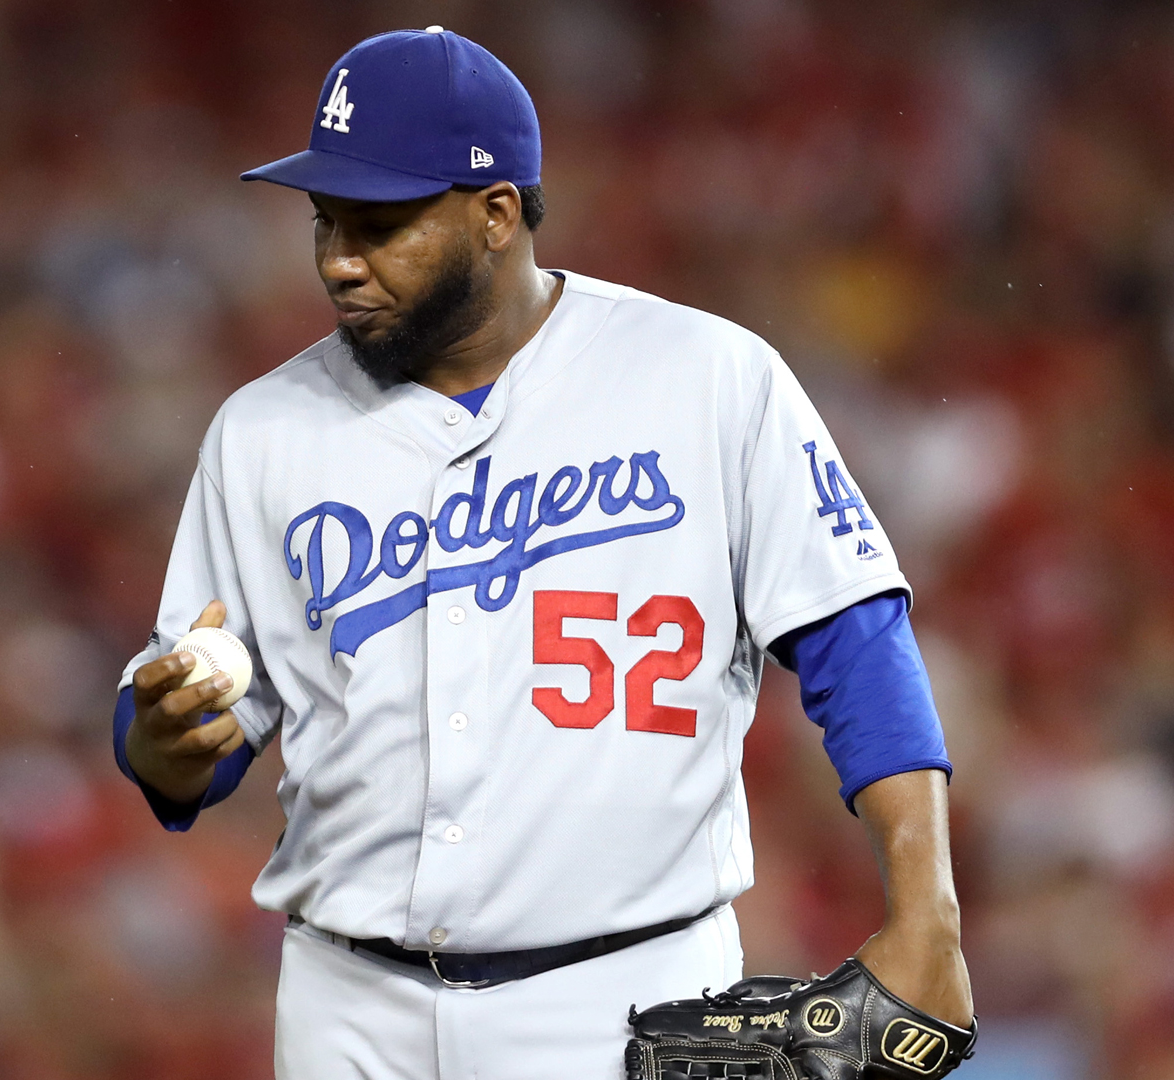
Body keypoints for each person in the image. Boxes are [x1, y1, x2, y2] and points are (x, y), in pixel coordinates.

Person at [112, 26, 972, 1079]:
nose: (340, 258)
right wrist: (166, 741)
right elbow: (184, 752)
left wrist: (927, 912)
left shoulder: (703, 377)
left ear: (496, 215)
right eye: (325, 220)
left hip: (626, 993)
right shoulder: (263, 430)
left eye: (381, 225)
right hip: (347, 1007)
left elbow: (855, 637)